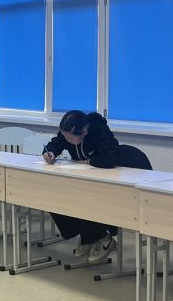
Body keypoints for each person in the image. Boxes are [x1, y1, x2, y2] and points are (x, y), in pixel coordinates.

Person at [42, 110, 120, 263]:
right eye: (65, 136)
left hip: (103, 180)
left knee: (83, 199)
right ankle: (87, 237)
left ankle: (101, 238)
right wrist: (50, 152)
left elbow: (109, 158)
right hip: (80, 177)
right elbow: (56, 143)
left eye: (70, 138)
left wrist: (88, 161)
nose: (67, 140)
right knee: (56, 196)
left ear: (84, 131)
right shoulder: (68, 132)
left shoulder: (100, 131)